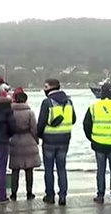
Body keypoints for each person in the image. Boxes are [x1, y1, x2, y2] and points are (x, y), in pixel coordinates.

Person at [37, 78, 76, 206]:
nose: (44, 89)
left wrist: (39, 136)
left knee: (49, 169)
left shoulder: (47, 102)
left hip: (49, 140)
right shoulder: (69, 101)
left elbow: (41, 123)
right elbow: (73, 119)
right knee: (61, 168)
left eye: (45, 86)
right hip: (65, 139)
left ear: (51, 88)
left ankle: (50, 195)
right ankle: (63, 195)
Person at [9, 88, 41, 200]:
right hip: (29, 141)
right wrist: (36, 141)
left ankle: (13, 194)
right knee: (29, 170)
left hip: (15, 142)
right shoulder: (30, 113)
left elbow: (8, 128)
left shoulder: (11, 112)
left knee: (15, 170)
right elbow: (34, 129)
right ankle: (29, 193)